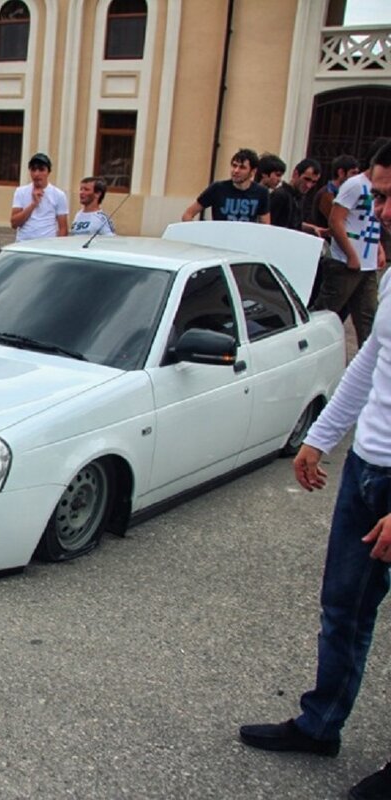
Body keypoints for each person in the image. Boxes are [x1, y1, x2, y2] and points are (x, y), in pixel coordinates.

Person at [238, 140, 391, 800]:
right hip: (367, 466)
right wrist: (321, 438)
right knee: (344, 611)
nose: (373, 210)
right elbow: (369, 363)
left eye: (385, 196)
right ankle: (319, 723)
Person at [314, 138, 389, 349]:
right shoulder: (354, 185)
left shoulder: (379, 187)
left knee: (369, 318)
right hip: (345, 263)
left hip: (367, 264)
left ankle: (372, 364)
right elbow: (336, 220)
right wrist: (351, 255)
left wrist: (379, 248)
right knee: (328, 313)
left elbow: (370, 221)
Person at [181, 148, 271, 223]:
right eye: (234, 165)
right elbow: (188, 214)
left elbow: (265, 225)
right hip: (219, 240)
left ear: (253, 171)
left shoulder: (261, 192)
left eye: (242, 167)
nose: (236, 171)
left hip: (245, 241)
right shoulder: (218, 188)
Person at [10, 152, 69, 241]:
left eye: (41, 170)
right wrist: (33, 204)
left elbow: (63, 228)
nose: (37, 174)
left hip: (46, 245)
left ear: (48, 172)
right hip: (23, 244)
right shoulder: (21, 192)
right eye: (33, 170)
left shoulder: (58, 195)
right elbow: (14, 223)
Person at [309, 154, 360, 233]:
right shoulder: (326, 194)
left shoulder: (343, 193)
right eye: (353, 173)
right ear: (341, 173)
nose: (356, 177)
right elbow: (339, 222)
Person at [270, 158, 323, 235]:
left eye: (313, 182)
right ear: (295, 174)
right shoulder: (280, 195)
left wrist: (312, 228)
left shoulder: (299, 197)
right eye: (306, 179)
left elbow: (295, 224)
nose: (309, 185)